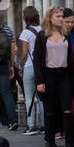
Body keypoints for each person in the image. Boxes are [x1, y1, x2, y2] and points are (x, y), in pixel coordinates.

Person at [32, 6, 74, 147]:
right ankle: (51, 143)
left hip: (64, 74)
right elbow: (37, 59)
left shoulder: (66, 34)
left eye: (62, 16)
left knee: (67, 110)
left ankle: (70, 144)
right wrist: (39, 81)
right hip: (49, 75)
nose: (61, 19)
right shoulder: (42, 36)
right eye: (58, 16)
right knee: (50, 111)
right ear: (50, 18)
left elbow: (71, 59)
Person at [18, 7, 43, 136]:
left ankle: (31, 125)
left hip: (29, 66)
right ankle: (44, 124)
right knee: (41, 97)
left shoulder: (25, 33)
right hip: (41, 68)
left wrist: (20, 66)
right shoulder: (42, 30)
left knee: (29, 97)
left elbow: (24, 54)